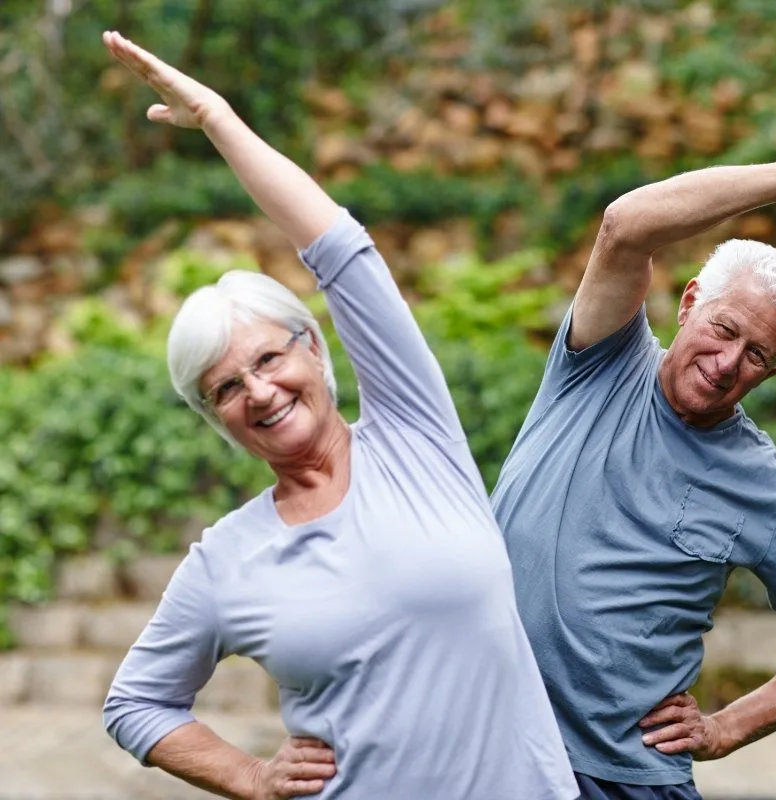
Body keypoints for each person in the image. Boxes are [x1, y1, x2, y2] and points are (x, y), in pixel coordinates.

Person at [99, 31, 579, 800]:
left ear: (316, 352)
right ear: (215, 418)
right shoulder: (227, 562)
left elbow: (342, 252)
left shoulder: (415, 437)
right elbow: (136, 704)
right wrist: (250, 775)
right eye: (224, 389)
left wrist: (219, 120)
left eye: (268, 360)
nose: (257, 392)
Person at [491, 153, 776, 799]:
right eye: (725, 328)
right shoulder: (602, 361)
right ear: (690, 304)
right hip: (489, 745)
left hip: (620, 778)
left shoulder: (768, 488)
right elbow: (626, 223)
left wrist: (722, 730)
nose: (726, 363)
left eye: (757, 354)